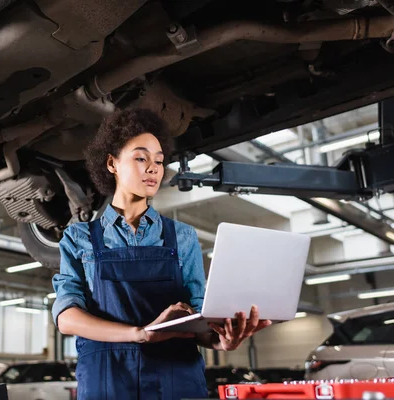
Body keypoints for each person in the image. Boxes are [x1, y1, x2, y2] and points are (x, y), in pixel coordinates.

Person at [51, 108, 271, 399]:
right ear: (112, 163)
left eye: (158, 160)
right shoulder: (79, 238)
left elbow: (200, 317)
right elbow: (66, 317)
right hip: (107, 382)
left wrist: (222, 342)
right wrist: (140, 333)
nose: (153, 168)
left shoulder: (183, 237)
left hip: (175, 380)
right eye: (141, 158)